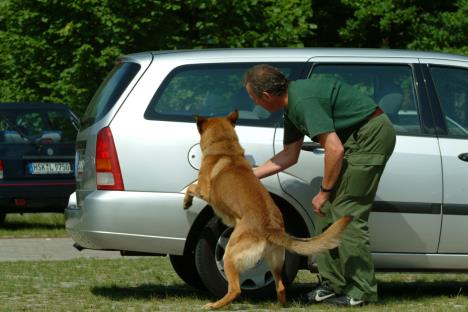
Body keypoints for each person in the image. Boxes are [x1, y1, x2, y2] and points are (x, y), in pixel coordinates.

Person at [243, 64, 396, 307]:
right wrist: (248, 176)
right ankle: (332, 284)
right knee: (325, 212)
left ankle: (361, 291)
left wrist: (325, 191)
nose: (253, 103)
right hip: (355, 139)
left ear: (266, 96)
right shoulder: (291, 106)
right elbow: (289, 155)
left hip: (370, 136)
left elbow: (334, 148)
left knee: (347, 214)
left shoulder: (302, 102)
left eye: (252, 97)